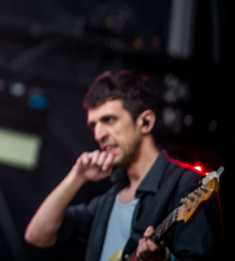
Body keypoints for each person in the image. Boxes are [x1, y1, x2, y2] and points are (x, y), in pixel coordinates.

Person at [25, 71, 221, 261]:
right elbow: (37, 235)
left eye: (109, 119)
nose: (99, 134)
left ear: (146, 122)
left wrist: (165, 259)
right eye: (94, 125)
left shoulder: (186, 186)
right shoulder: (107, 202)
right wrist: (76, 177)